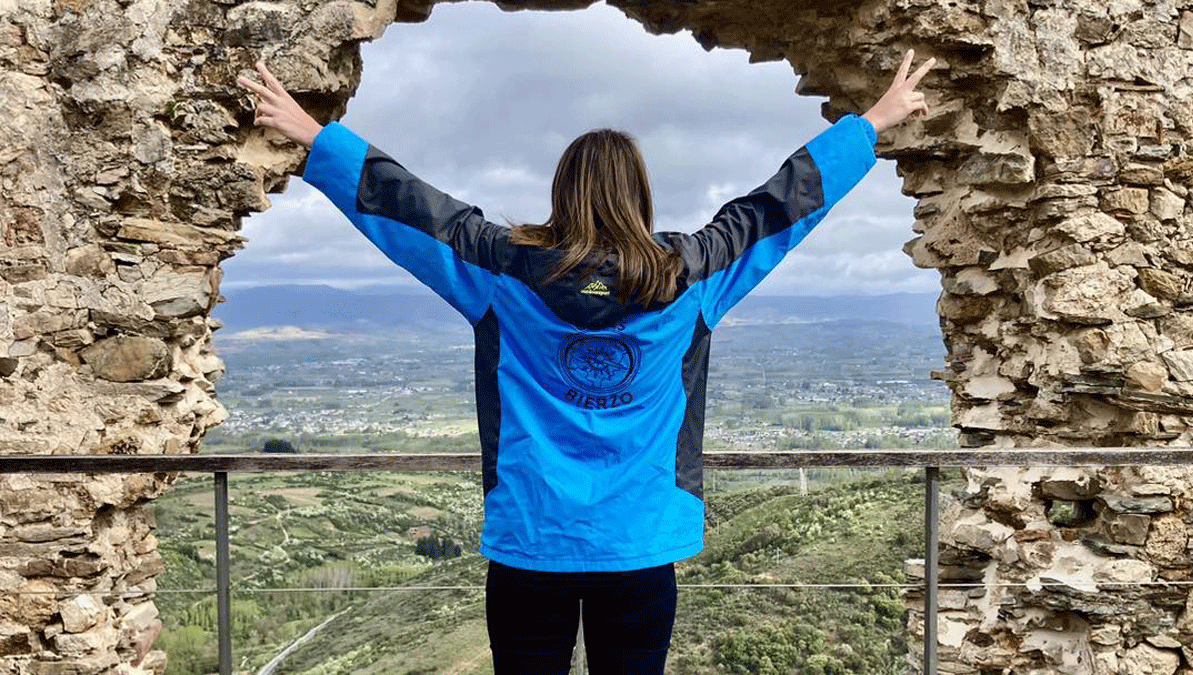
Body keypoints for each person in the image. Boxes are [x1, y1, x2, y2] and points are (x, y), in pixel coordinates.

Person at [239, 48, 934, 675]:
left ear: (561, 190)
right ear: (639, 192)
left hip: (530, 543)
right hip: (638, 546)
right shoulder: (690, 277)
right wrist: (870, 121)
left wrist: (316, 137)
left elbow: (415, 212)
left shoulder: (502, 271)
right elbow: (778, 207)